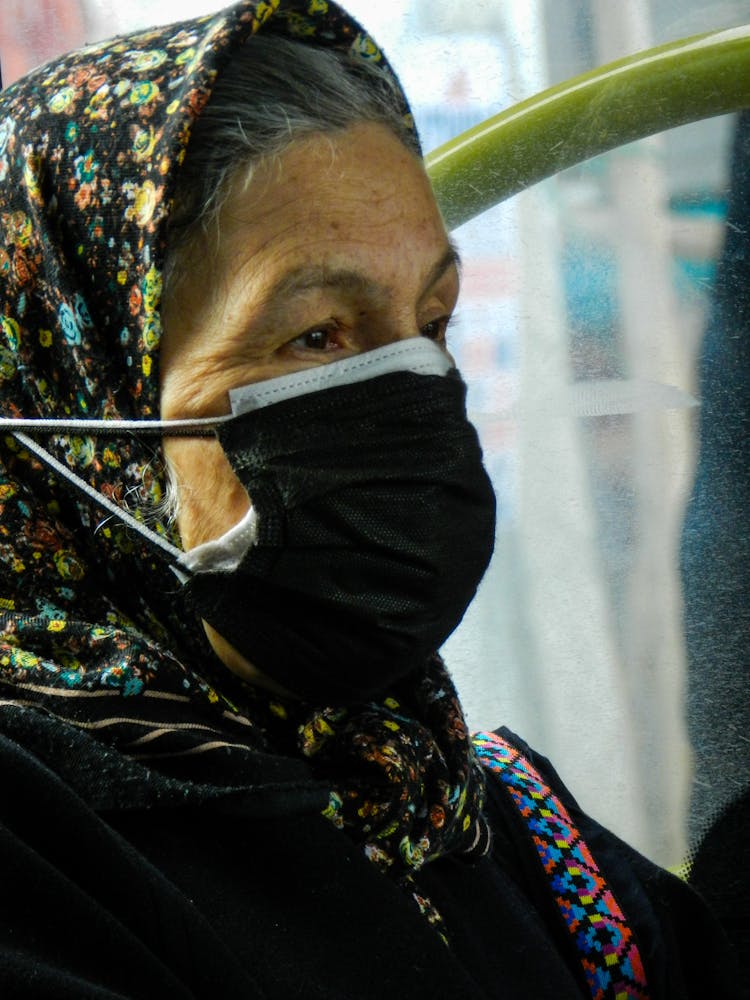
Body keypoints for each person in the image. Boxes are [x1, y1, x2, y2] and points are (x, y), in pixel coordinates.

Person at [0, 2, 742, 997]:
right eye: (316, 335)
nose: (410, 399)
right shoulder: (42, 846)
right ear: (75, 393)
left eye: (430, 323)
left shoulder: (467, 808)